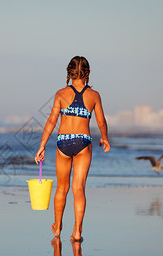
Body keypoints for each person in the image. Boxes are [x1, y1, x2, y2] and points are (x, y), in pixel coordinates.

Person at [35, 56, 110, 242]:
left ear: (69, 73)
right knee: (79, 188)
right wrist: (105, 138)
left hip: (63, 142)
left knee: (62, 188)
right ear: (88, 73)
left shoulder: (61, 94)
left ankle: (58, 226)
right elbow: (101, 120)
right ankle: (77, 231)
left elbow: (52, 120)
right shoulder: (94, 96)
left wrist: (42, 146)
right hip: (83, 142)